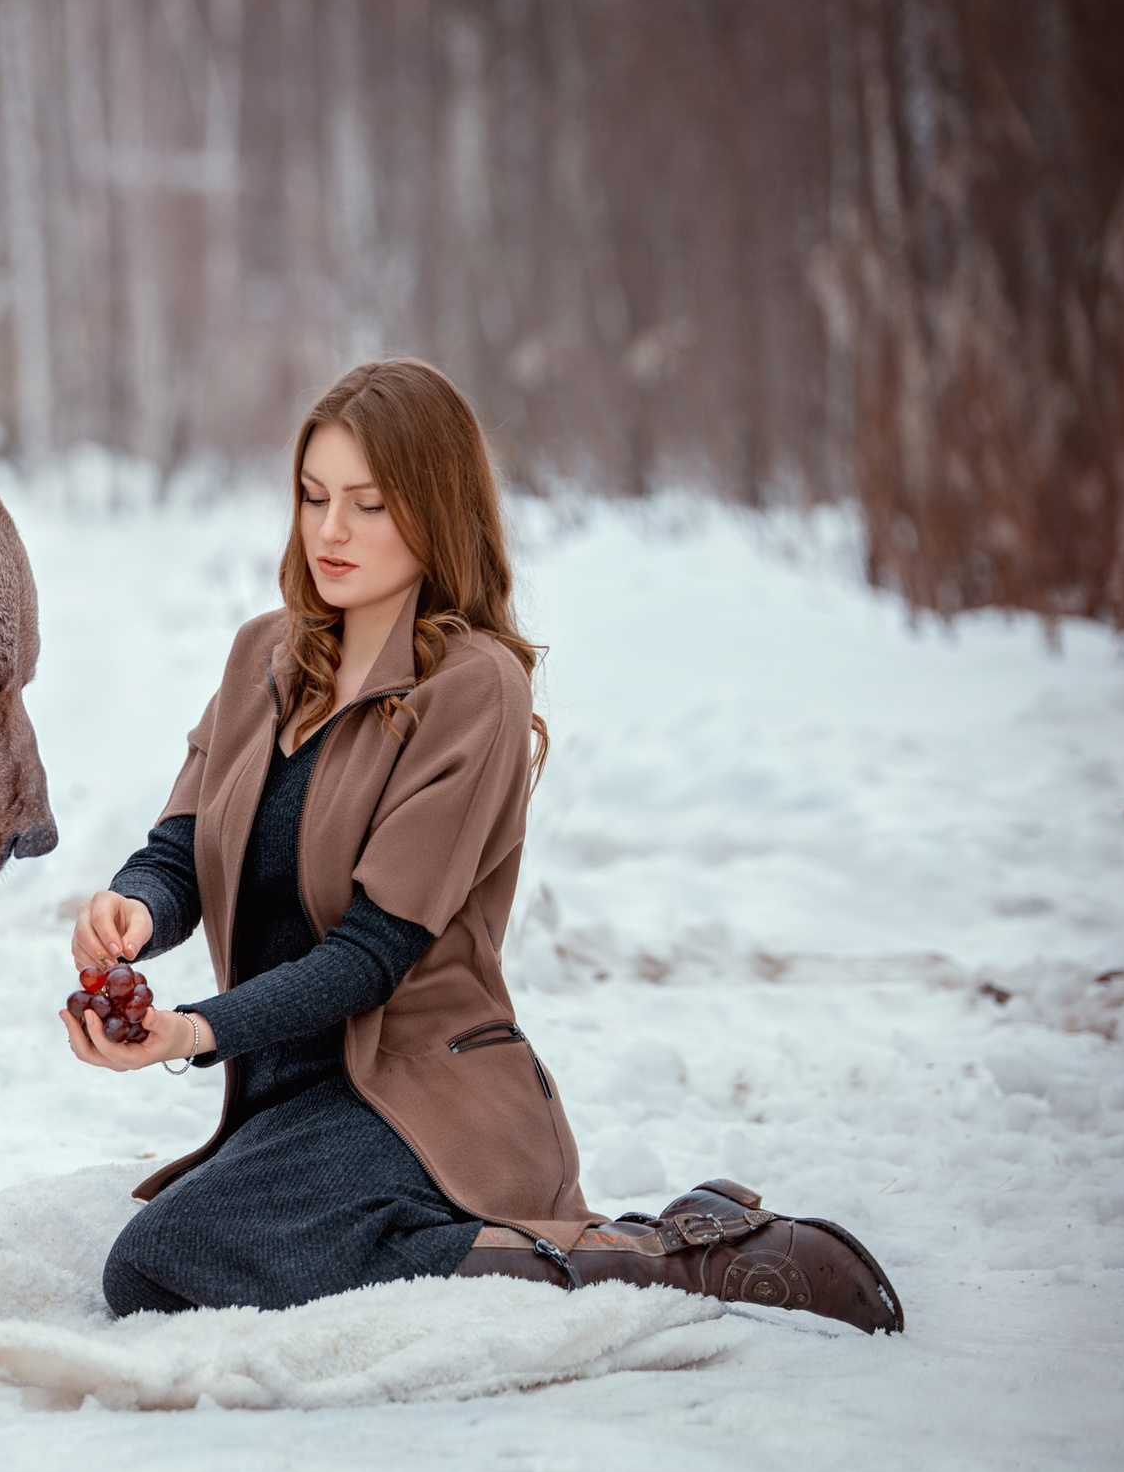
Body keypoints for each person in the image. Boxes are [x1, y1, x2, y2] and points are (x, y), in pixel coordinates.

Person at [63, 359, 902, 1333]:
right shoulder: (263, 654)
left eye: (369, 505)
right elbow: (179, 848)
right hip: (287, 1100)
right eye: (313, 495)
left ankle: (658, 1263)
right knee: (170, 1265)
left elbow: (372, 955)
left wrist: (192, 1031)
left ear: (434, 509)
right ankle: (426, 1238)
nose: (330, 531)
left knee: (164, 1258)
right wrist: (135, 907)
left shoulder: (472, 687)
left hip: (421, 1098)